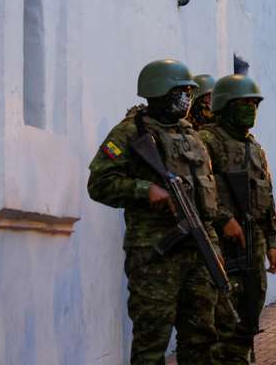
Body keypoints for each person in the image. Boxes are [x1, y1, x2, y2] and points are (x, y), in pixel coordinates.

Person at [87, 59, 225, 365]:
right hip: (155, 254)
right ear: (158, 92)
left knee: (203, 338)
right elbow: (99, 183)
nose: (188, 100)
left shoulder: (192, 135)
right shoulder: (130, 133)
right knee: (152, 340)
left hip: (199, 251)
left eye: (190, 92)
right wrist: (145, 190)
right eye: (181, 93)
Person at [199, 75, 276, 364]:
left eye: (254, 103)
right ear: (225, 105)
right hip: (220, 242)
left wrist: (272, 242)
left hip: (254, 240)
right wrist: (223, 220)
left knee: (249, 313)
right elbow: (199, 189)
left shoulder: (255, 147)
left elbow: (267, 196)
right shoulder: (208, 141)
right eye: (244, 103)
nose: (251, 109)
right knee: (223, 317)